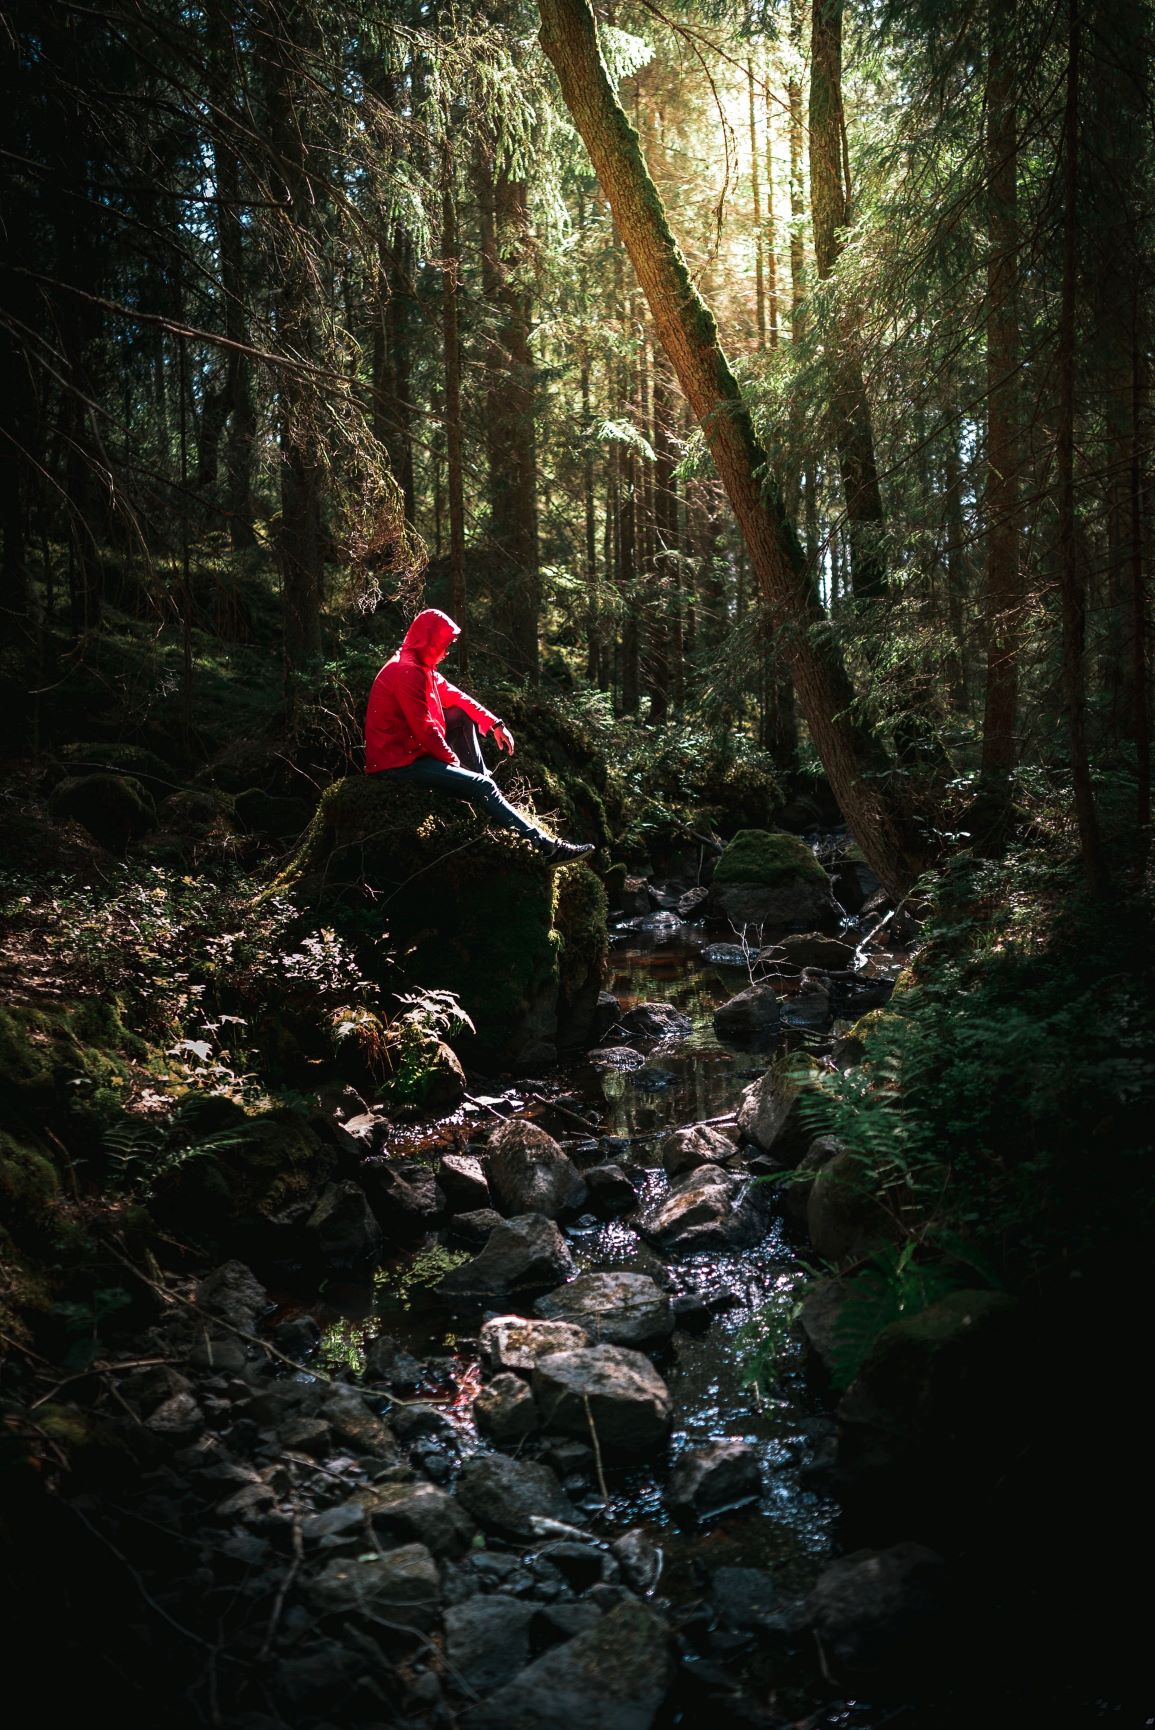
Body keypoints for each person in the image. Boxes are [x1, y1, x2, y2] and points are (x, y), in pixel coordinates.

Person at [364, 608, 594, 864]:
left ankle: (482, 786)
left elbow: (455, 696)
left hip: (411, 752)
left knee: (460, 717)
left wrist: (495, 724)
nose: (447, 652)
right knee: (481, 786)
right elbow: (424, 729)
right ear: (429, 641)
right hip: (397, 762)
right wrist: (452, 763)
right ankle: (546, 848)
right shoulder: (407, 671)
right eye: (444, 644)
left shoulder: (418, 664)